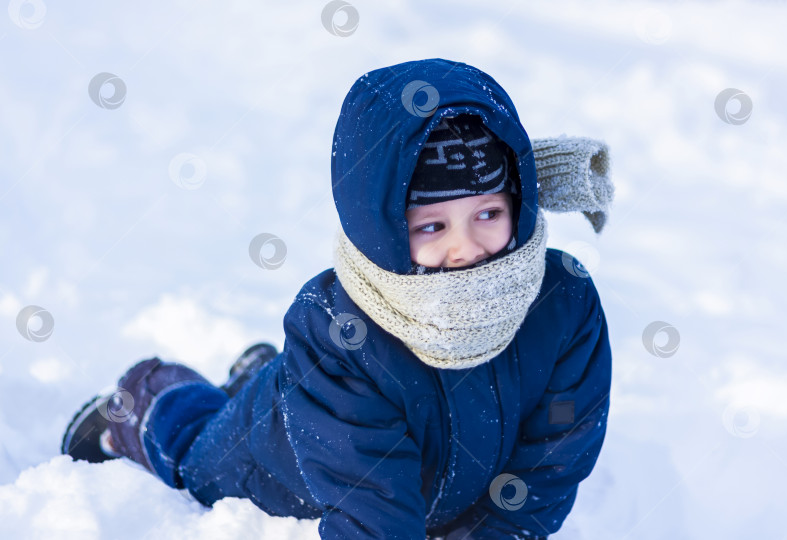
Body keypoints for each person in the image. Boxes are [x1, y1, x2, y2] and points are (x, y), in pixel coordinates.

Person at [62, 58, 613, 539]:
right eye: (432, 226)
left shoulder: (561, 304)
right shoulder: (340, 337)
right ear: (385, 229)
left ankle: (257, 373)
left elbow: (558, 444)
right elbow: (373, 515)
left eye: (487, 214)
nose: (464, 247)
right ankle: (146, 401)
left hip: (412, 469)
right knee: (197, 455)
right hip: (279, 464)